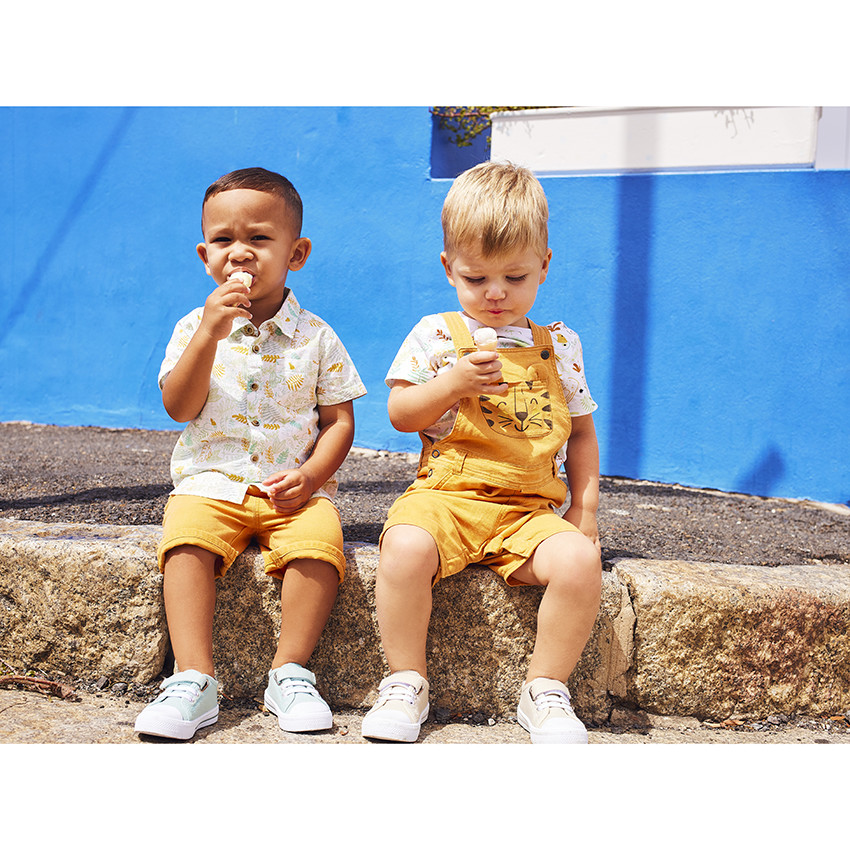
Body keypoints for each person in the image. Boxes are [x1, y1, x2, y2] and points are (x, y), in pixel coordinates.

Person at [361, 162, 601, 744]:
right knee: (405, 546)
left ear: (544, 266)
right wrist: (452, 384)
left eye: (515, 278)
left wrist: (585, 510)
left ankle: (545, 688)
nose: (496, 294)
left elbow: (583, 434)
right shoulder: (437, 335)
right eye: (477, 279)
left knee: (578, 564)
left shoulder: (560, 346)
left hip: (529, 511)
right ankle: (405, 680)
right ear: (449, 270)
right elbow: (400, 414)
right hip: (447, 496)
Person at [134, 167, 366, 740]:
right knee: (185, 536)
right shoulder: (194, 327)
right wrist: (208, 337)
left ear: (297, 252)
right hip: (211, 482)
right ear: (204, 254)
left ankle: (290, 672)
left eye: (259, 239)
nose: (240, 254)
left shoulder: (316, 336)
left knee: (319, 545)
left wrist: (313, 477)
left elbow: (340, 421)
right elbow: (178, 406)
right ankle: (193, 678)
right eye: (223, 241)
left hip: (291, 488)